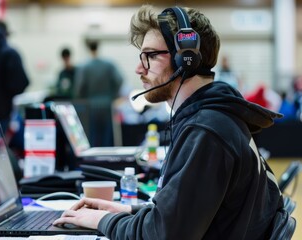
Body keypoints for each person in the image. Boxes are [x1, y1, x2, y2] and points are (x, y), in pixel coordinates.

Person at [53, 5, 287, 239]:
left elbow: (163, 235)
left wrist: (104, 220)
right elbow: (181, 216)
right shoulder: (214, 117)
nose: (138, 68)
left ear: (186, 59)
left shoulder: (206, 130)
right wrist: (127, 210)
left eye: (150, 56)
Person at [74, 40, 123, 147]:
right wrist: (114, 95)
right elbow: (119, 80)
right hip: (107, 104)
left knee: (93, 136)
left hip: (91, 105)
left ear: (88, 48)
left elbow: (79, 87)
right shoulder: (109, 64)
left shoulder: (84, 67)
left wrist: (84, 98)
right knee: (107, 137)